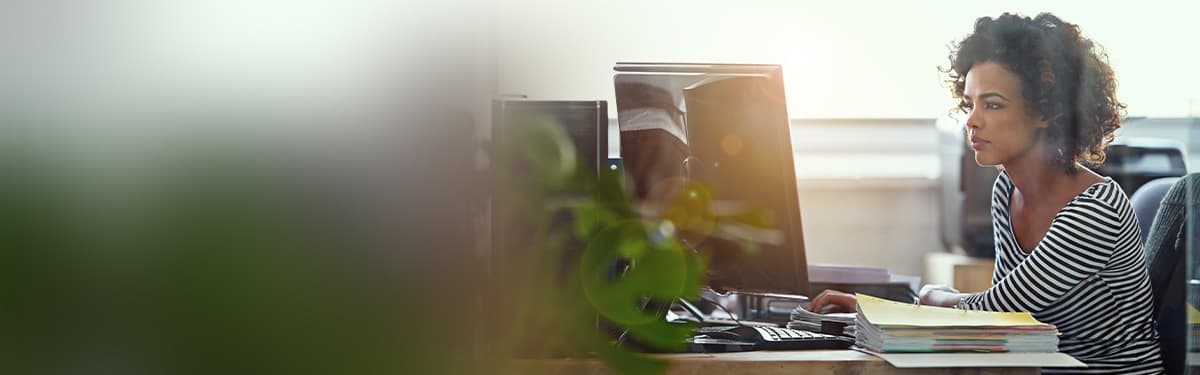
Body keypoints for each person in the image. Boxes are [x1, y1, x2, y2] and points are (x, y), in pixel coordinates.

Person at [810, 13, 1163, 374]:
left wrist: (924, 301)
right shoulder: (1007, 190)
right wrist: (878, 313)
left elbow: (1001, 312)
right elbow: (991, 324)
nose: (971, 121)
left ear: (1047, 111)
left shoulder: (1096, 209)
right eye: (969, 104)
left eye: (992, 104)